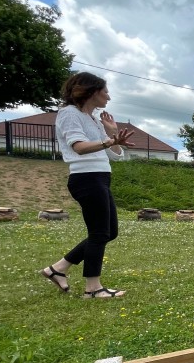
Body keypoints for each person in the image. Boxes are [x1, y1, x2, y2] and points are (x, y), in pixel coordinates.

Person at [39, 72, 135, 299]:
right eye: (105, 92)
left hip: (101, 177)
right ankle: (93, 289)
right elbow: (79, 147)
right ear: (91, 91)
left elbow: (115, 155)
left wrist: (112, 134)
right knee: (99, 232)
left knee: (110, 232)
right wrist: (107, 141)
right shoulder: (69, 114)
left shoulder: (93, 119)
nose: (108, 97)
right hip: (86, 178)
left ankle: (58, 269)